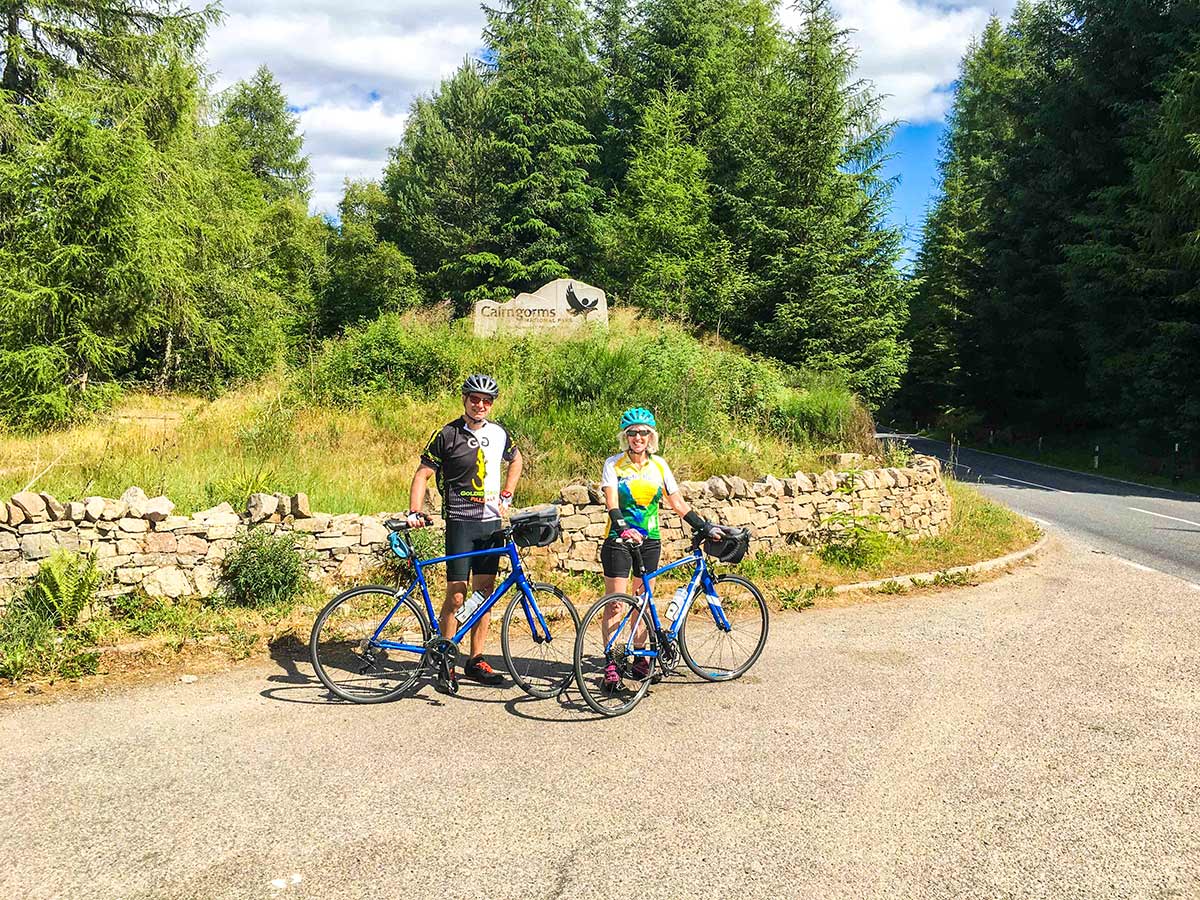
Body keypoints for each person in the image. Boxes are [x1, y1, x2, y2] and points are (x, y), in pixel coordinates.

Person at [406, 374, 522, 688]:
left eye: (487, 401)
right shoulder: (447, 434)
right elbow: (422, 476)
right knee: (457, 597)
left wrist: (507, 494)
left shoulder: (499, 433)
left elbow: (516, 460)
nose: (481, 405)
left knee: (484, 594)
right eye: (475, 399)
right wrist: (415, 511)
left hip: (490, 524)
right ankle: (446, 658)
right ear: (465, 399)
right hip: (460, 522)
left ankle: (476, 659)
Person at [600, 407, 721, 686]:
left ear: (651, 436)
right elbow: (612, 504)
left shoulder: (660, 466)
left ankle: (641, 658)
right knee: (616, 604)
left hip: (650, 541)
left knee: (642, 602)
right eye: (632, 433)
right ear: (625, 437)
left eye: (643, 432)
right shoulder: (614, 464)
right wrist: (624, 528)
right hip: (618, 541)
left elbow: (677, 504)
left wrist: (703, 526)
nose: (638, 437)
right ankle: (612, 661)